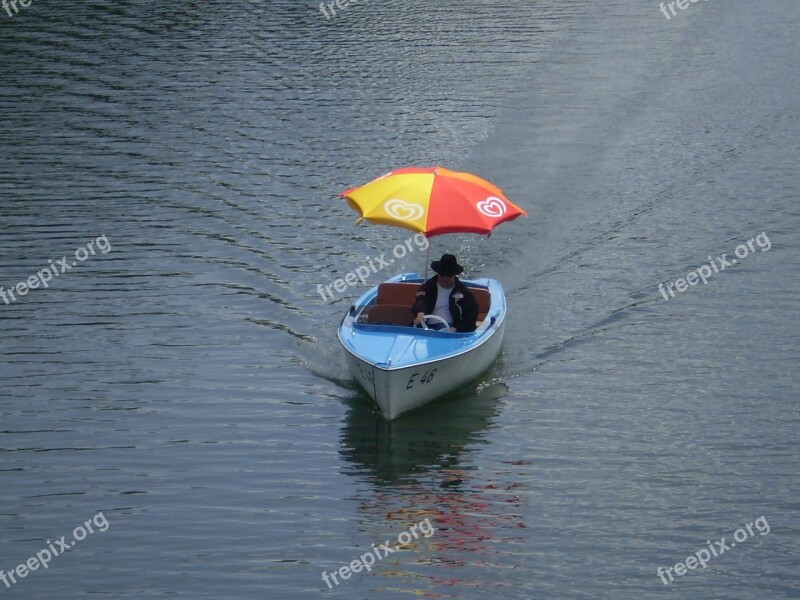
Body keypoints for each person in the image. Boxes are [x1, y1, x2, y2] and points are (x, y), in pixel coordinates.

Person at [411, 254, 479, 333]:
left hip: (451, 330)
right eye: (442, 275)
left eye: (449, 275)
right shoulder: (428, 287)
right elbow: (421, 300)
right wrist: (420, 312)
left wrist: (456, 328)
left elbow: (471, 317)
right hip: (426, 328)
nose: (445, 278)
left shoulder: (464, 293)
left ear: (454, 275)